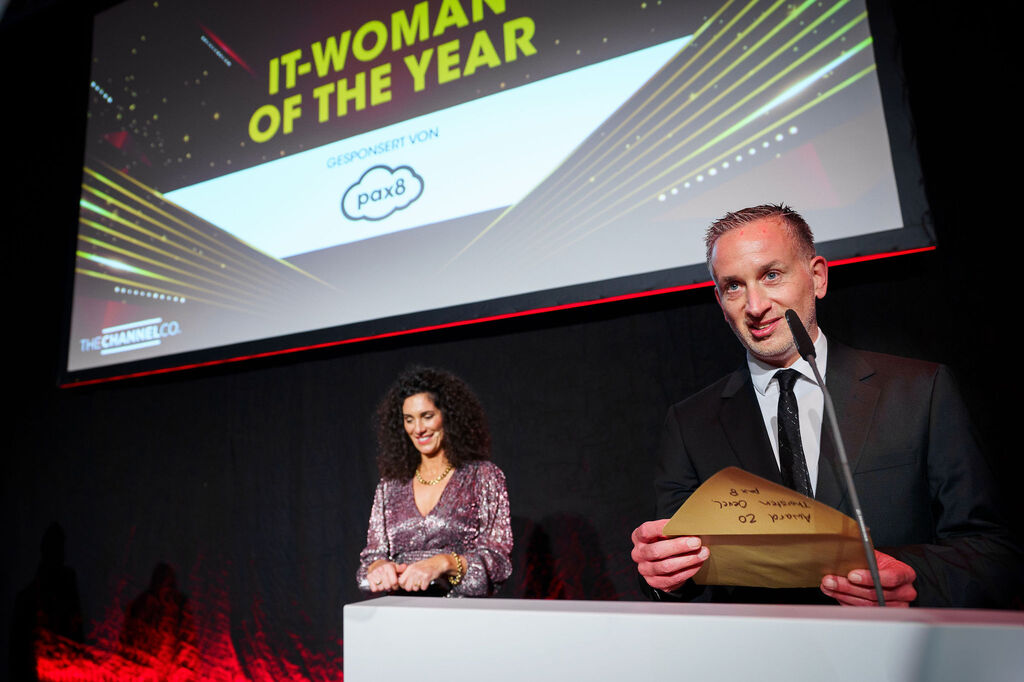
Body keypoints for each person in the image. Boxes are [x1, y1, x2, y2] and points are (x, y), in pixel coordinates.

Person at [631, 204, 1020, 607]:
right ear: (720, 300)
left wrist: (912, 578)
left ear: (817, 277)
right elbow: (679, 574)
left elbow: (993, 552)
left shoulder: (920, 391)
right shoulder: (690, 423)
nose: (755, 305)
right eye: (733, 286)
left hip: (895, 641)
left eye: (771, 275)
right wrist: (664, 578)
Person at [357, 366, 512, 597]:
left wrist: (444, 563)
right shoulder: (389, 486)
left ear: (448, 416)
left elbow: (498, 562)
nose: (418, 429)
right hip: (400, 612)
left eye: (427, 416)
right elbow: (371, 558)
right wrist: (379, 567)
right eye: (409, 420)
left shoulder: (483, 477)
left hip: (460, 613)